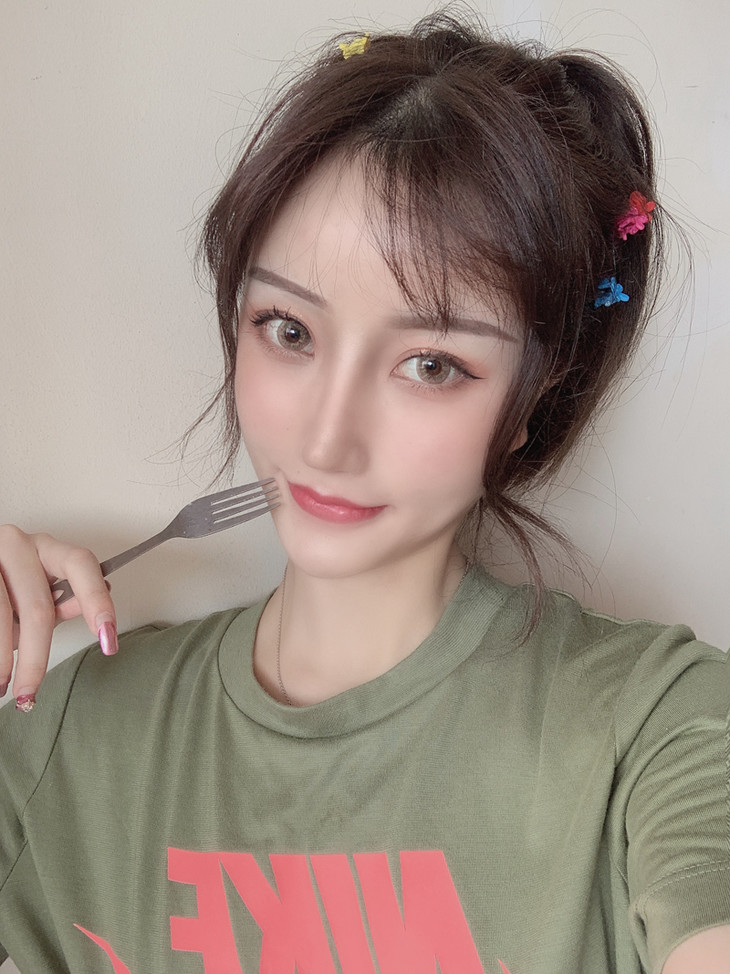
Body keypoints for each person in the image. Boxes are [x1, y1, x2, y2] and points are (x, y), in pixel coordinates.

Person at [0, 11, 728, 973]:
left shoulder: (658, 727)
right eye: (289, 330)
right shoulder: (63, 732)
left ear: (532, 402)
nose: (326, 439)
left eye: (431, 364)